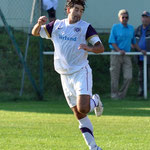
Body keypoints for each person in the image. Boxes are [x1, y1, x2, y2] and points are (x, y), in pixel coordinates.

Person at [32, 0, 104, 149]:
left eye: (81, 11)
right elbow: (35, 33)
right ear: (68, 10)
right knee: (79, 115)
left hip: (80, 72)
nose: (78, 13)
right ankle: (94, 147)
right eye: (76, 9)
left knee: (83, 108)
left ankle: (95, 100)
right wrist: (39, 24)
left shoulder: (86, 27)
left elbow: (100, 47)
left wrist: (89, 48)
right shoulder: (57, 25)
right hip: (64, 75)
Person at [109, 9, 145, 100]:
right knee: (115, 75)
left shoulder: (131, 28)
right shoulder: (115, 27)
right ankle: (114, 95)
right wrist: (119, 50)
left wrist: (141, 50)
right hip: (116, 54)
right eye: (123, 17)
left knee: (128, 76)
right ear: (119, 18)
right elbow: (112, 41)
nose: (125, 19)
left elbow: (133, 42)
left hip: (126, 55)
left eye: (126, 17)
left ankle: (121, 95)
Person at [135, 11, 150, 97]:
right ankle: (141, 92)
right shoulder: (138, 29)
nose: (144, 19)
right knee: (141, 76)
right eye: (143, 17)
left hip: (149, 56)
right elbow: (133, 41)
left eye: (146, 17)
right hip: (140, 57)